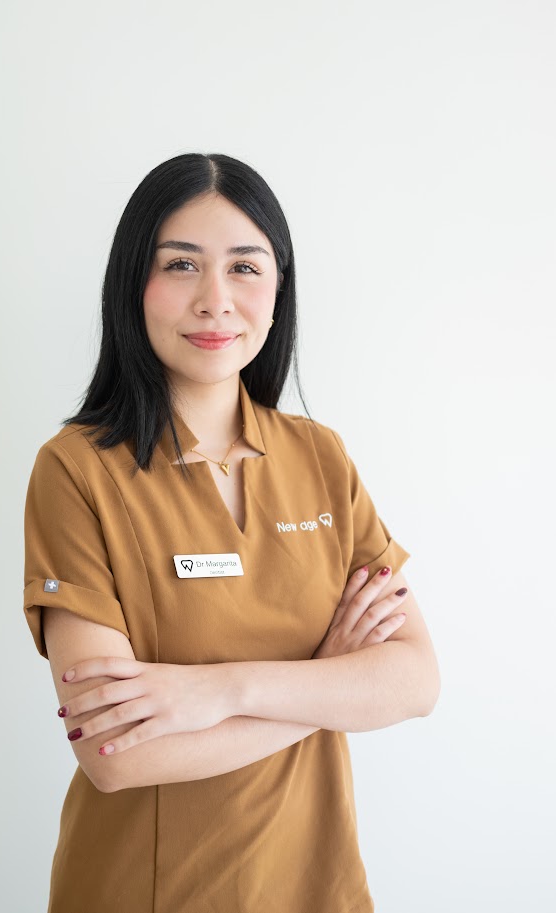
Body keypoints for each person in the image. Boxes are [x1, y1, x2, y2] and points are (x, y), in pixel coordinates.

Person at [22, 152, 440, 913]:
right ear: (132, 287)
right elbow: (119, 755)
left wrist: (215, 691)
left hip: (318, 885)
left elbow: (415, 680)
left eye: (245, 267)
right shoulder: (76, 471)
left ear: (278, 292)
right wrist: (328, 680)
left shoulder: (319, 455)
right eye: (181, 265)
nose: (216, 301)